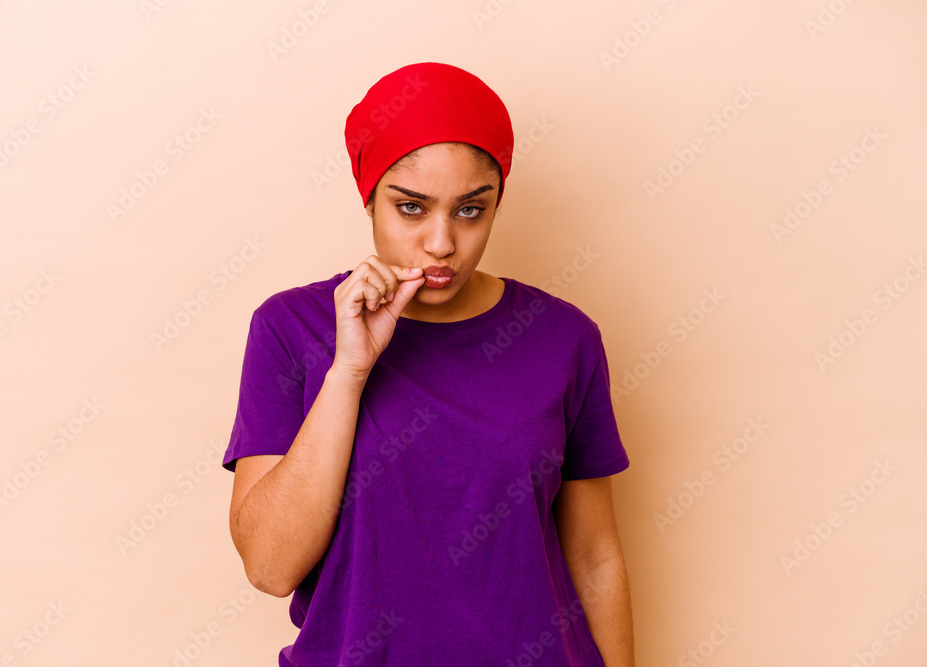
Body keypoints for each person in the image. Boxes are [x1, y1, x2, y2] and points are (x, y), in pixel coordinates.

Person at [223, 61, 635, 666]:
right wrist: (348, 373)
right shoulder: (291, 329)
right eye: (411, 208)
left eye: (470, 209)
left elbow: (594, 554)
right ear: (369, 198)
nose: (442, 243)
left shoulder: (563, 338)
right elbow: (269, 566)